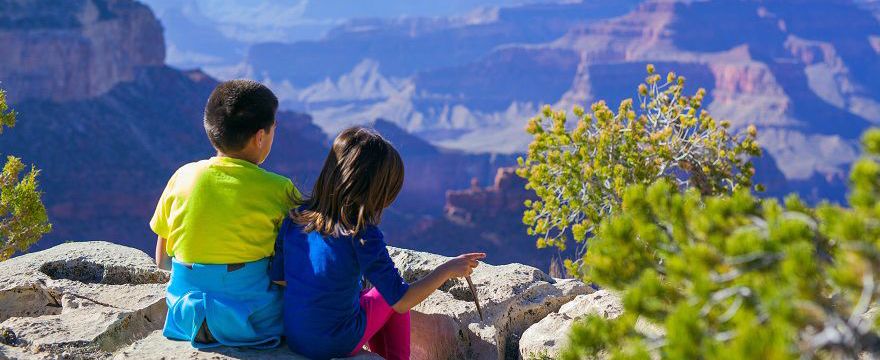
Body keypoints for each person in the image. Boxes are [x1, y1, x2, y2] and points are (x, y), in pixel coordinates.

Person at [270, 126, 485, 360]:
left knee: (372, 295)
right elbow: (402, 301)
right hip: (335, 343)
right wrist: (447, 269)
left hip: (296, 337)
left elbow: (280, 279)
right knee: (388, 295)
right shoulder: (362, 234)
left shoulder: (296, 217)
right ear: (376, 189)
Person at [150, 79, 299, 349]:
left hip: (186, 318)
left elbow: (161, 258)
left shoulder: (182, 176)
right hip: (253, 322)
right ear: (260, 136)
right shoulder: (280, 189)